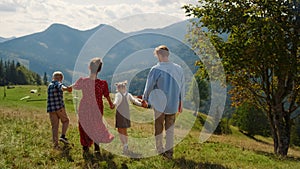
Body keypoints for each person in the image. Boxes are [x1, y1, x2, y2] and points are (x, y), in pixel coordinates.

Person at [142, 45, 185, 159]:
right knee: (170, 130)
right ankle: (169, 153)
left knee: (159, 128)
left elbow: (149, 86)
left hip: (159, 105)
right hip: (173, 104)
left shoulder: (156, 69)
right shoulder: (179, 69)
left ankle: (159, 150)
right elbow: (182, 87)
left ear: (159, 55)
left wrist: (145, 99)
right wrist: (181, 102)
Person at [72, 57, 115, 159]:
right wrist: (111, 104)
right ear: (99, 69)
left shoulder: (83, 81)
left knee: (84, 126)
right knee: (96, 125)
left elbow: (72, 87)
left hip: (85, 107)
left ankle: (85, 148)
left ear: (89, 67)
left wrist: (63, 87)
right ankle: (96, 148)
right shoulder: (102, 83)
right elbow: (107, 95)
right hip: (97, 108)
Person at [113, 80, 146, 155]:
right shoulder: (128, 94)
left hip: (120, 114)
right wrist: (141, 105)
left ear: (118, 88)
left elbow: (116, 102)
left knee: (120, 130)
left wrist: (113, 105)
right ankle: (126, 145)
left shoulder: (118, 95)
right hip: (126, 114)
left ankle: (124, 146)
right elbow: (134, 101)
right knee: (125, 130)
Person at [47, 71, 72, 150]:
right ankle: (63, 136)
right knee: (66, 121)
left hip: (51, 110)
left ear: (52, 78)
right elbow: (61, 86)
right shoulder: (58, 83)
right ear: (61, 79)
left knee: (55, 126)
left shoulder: (50, 85)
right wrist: (67, 89)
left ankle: (56, 145)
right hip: (59, 108)